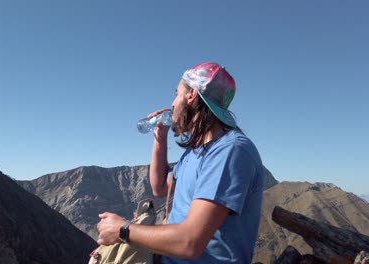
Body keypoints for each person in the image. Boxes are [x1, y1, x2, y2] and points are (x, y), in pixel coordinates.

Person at [97, 62, 264, 263]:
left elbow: (190, 242)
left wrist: (122, 230)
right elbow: (159, 188)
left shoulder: (230, 151)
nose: (173, 103)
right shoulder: (197, 151)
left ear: (191, 95)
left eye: (177, 94)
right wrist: (160, 137)